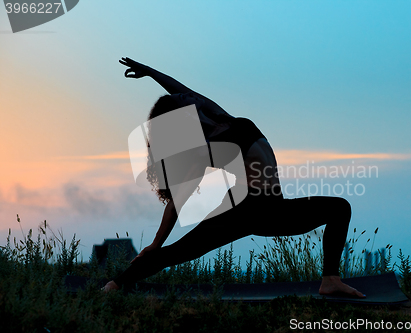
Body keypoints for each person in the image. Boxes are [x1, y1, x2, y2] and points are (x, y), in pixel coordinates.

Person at [103, 57, 365, 298]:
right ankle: (116, 284)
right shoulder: (209, 147)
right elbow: (178, 199)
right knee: (177, 252)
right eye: (183, 100)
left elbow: (181, 89)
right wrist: (156, 242)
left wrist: (150, 73)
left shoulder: (223, 119)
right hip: (245, 209)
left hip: (272, 207)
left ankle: (330, 280)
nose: (187, 95)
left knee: (339, 208)